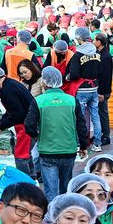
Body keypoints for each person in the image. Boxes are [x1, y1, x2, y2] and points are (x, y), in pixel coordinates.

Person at [24, 66, 87, 202]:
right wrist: (83, 146)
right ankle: (66, 214)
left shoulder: (38, 101)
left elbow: (29, 125)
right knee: (66, 187)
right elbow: (81, 125)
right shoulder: (71, 100)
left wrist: (38, 136)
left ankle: (52, 218)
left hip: (48, 151)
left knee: (51, 190)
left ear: (45, 83)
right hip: (68, 150)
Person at [0, 66, 36, 177]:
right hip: (27, 123)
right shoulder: (8, 84)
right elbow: (12, 110)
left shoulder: (7, 90)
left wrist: (1, 126)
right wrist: (0, 123)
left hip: (27, 125)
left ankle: (25, 182)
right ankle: (32, 177)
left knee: (21, 155)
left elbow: (17, 114)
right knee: (25, 153)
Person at [67, 27, 102, 152]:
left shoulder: (77, 55)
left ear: (79, 39)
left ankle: (80, 143)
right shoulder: (97, 52)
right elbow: (100, 71)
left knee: (80, 117)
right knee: (95, 115)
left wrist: (68, 76)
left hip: (81, 89)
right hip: (94, 88)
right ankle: (97, 143)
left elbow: (75, 74)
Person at [94, 33, 113, 146]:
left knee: (102, 112)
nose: (93, 42)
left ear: (99, 42)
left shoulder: (105, 57)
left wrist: (102, 92)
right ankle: (101, 133)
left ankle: (106, 135)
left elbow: (106, 76)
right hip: (101, 89)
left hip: (103, 90)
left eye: (94, 40)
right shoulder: (100, 54)